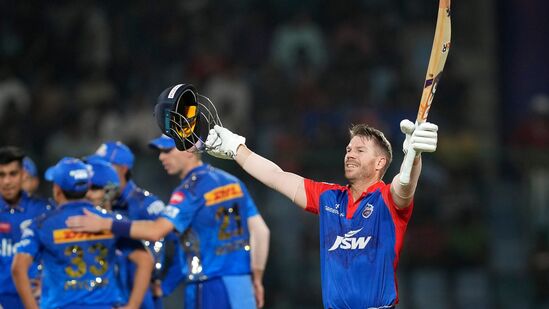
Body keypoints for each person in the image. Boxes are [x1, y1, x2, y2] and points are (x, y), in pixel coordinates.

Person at [202, 119, 438, 308]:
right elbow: (276, 176)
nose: (350, 154)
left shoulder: (387, 199)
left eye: (360, 150)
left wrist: (413, 158)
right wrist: (236, 148)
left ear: (380, 163)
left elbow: (405, 185)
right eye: (348, 149)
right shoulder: (329, 197)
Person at [67, 134, 271, 309]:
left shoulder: (190, 190)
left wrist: (106, 224)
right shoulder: (232, 181)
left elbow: (157, 230)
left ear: (190, 148)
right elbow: (261, 232)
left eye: (168, 150)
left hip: (209, 285)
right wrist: (257, 277)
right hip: (242, 282)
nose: (162, 157)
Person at [11, 157, 153, 309]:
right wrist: (132, 306)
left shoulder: (42, 225)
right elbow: (146, 260)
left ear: (57, 190)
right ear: (87, 187)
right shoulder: (109, 222)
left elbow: (18, 268)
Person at [87, 141, 166, 308]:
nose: (98, 170)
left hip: (143, 296)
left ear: (123, 169)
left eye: (105, 165)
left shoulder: (147, 205)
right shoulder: (97, 208)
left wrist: (164, 285)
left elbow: (177, 243)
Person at [0, 146, 51, 308]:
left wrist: (48, 284)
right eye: (1, 175)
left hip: (35, 299)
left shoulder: (43, 210)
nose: (7, 181)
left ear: (23, 174)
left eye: (12, 174)